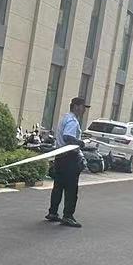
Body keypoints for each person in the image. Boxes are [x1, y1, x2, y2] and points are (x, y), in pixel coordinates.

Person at [45, 97, 88, 228]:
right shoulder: (72, 121)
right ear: (76, 106)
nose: (84, 110)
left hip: (60, 157)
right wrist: (80, 143)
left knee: (58, 187)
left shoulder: (65, 118)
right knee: (71, 189)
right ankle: (68, 216)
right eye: (83, 107)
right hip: (70, 158)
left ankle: (53, 212)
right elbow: (68, 137)